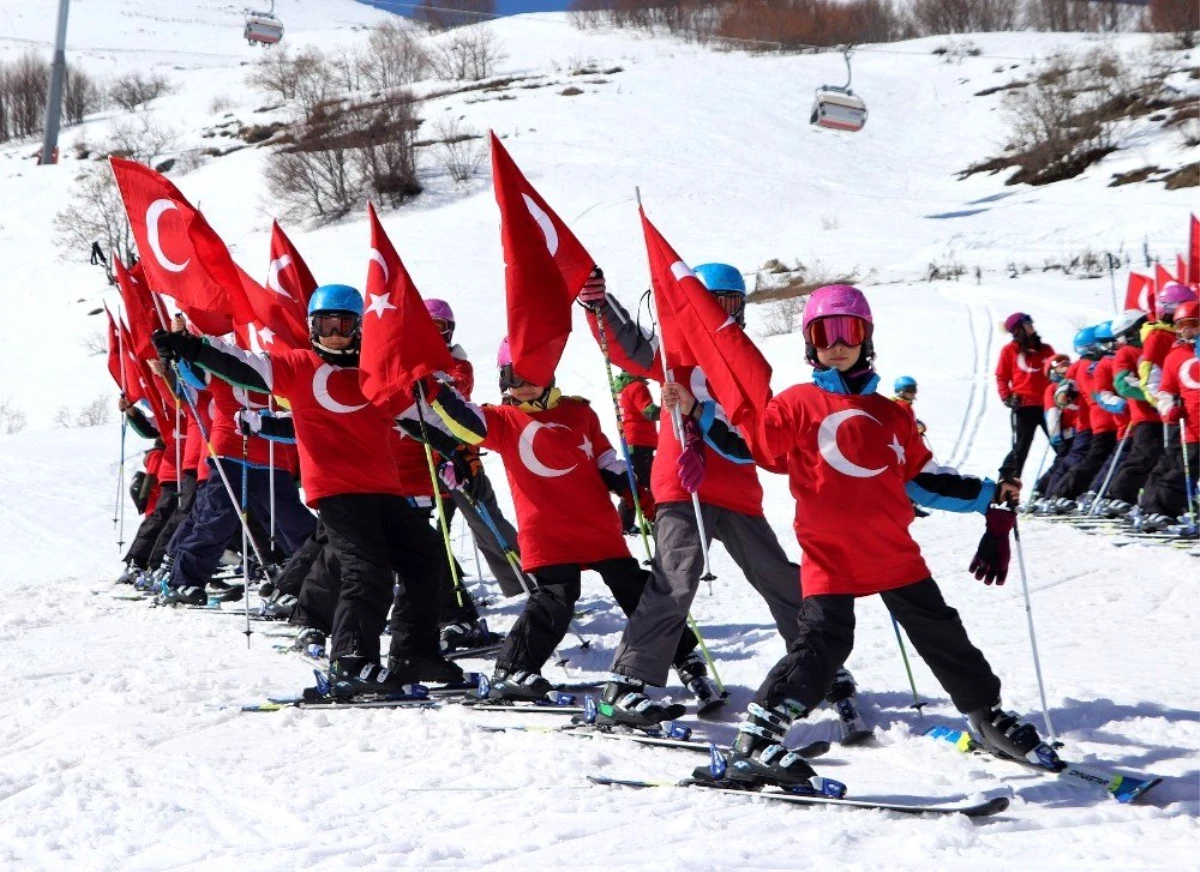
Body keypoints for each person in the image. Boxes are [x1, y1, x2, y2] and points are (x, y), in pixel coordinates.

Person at [689, 284, 1041, 790]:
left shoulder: (892, 415)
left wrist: (990, 495)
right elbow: (752, 446)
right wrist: (699, 412)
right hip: (829, 555)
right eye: (824, 333)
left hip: (892, 551)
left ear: (865, 338)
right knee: (822, 644)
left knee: (943, 633)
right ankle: (760, 735)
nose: (837, 343)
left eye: (848, 332)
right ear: (810, 343)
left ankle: (987, 715)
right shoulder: (797, 403)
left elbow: (923, 481)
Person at [581, 264, 860, 728]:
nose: (717, 314)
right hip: (682, 482)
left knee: (778, 576)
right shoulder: (674, 352)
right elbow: (628, 345)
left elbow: (755, 424)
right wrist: (598, 304)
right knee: (676, 576)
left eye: (728, 304)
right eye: (709, 303)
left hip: (737, 487)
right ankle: (626, 684)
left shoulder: (745, 357)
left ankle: (818, 662)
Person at [152, 283, 457, 694]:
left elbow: (418, 419)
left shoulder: (377, 374)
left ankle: (412, 654)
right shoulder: (298, 366)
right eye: (324, 324)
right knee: (366, 570)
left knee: (426, 557)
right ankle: (350, 662)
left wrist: (460, 452)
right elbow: (243, 364)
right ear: (311, 328)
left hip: (386, 488)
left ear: (360, 328)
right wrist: (192, 346)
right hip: (337, 490)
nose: (334, 333)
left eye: (344, 324)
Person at [420, 337, 704, 703]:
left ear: (549, 374)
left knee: (636, 588)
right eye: (514, 378)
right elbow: (465, 421)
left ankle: (683, 654)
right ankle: (513, 668)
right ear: (504, 381)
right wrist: (432, 389)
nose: (523, 385)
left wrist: (631, 486)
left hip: (595, 524)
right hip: (547, 529)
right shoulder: (503, 419)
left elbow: (605, 458)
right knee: (555, 597)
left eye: (532, 375)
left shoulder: (579, 413)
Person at [155, 316, 316, 606]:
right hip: (230, 450)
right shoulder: (223, 362)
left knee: (291, 521)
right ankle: (184, 581)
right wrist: (178, 354)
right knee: (215, 520)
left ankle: (314, 580)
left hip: (271, 454)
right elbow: (192, 380)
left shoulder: (278, 365)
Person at [1137, 299, 1200, 529]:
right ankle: (1158, 509)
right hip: (1193, 427)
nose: (1187, 330)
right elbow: (1164, 392)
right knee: (1182, 471)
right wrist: (1170, 410)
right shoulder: (1175, 357)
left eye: (1193, 323)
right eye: (1181, 325)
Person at [1094, 310, 1160, 516]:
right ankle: (1118, 496)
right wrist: (1154, 395)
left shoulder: (1154, 346)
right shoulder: (1127, 352)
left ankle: (1154, 501)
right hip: (1145, 414)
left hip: (1165, 413)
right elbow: (1123, 384)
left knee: (1162, 460)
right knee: (1143, 456)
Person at [995, 312, 1056, 482]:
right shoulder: (1009, 350)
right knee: (1020, 450)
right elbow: (1001, 376)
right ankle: (1005, 489)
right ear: (1018, 328)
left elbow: (1058, 372)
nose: (1032, 324)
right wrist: (1006, 397)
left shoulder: (1046, 349)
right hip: (1024, 406)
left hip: (1048, 406)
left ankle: (1056, 489)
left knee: (1062, 446)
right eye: (1027, 322)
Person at [613, 369, 659, 534]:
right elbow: (649, 411)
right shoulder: (637, 386)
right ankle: (646, 520)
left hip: (631, 440)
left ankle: (627, 523)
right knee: (643, 483)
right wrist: (670, 409)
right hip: (641, 441)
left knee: (637, 482)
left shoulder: (621, 387)